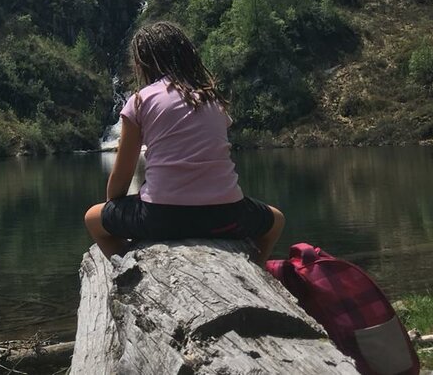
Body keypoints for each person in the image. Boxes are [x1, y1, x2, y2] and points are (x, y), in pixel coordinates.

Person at [84, 20, 284, 260]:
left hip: (161, 218)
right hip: (227, 216)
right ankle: (258, 267)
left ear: (142, 64)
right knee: (277, 220)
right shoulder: (212, 99)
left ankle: (131, 271)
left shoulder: (139, 101)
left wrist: (114, 207)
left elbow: (122, 176)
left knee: (93, 219)